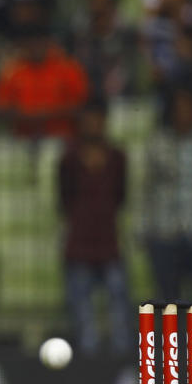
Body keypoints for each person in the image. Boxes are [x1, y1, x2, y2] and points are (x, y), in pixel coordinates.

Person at [142, 84, 192, 346]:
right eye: (179, 107)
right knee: (169, 304)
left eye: (189, 106)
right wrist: (144, 229)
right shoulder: (157, 143)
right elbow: (146, 188)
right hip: (165, 231)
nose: (184, 112)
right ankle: (171, 360)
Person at [56, 98, 133, 356]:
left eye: (97, 119)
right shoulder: (68, 159)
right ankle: (88, 375)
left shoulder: (117, 158)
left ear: (104, 122)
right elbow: (64, 200)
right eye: (88, 120)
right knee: (84, 323)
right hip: (78, 246)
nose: (92, 125)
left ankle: (123, 370)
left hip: (110, 245)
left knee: (120, 317)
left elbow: (121, 196)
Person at [0, 25, 90, 140]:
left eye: (39, 42)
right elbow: (1, 110)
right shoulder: (11, 71)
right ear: (24, 45)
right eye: (31, 43)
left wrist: (46, 115)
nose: (35, 48)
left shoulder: (68, 68)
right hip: (22, 139)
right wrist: (29, 116)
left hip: (63, 138)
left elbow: (82, 107)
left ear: (49, 43)